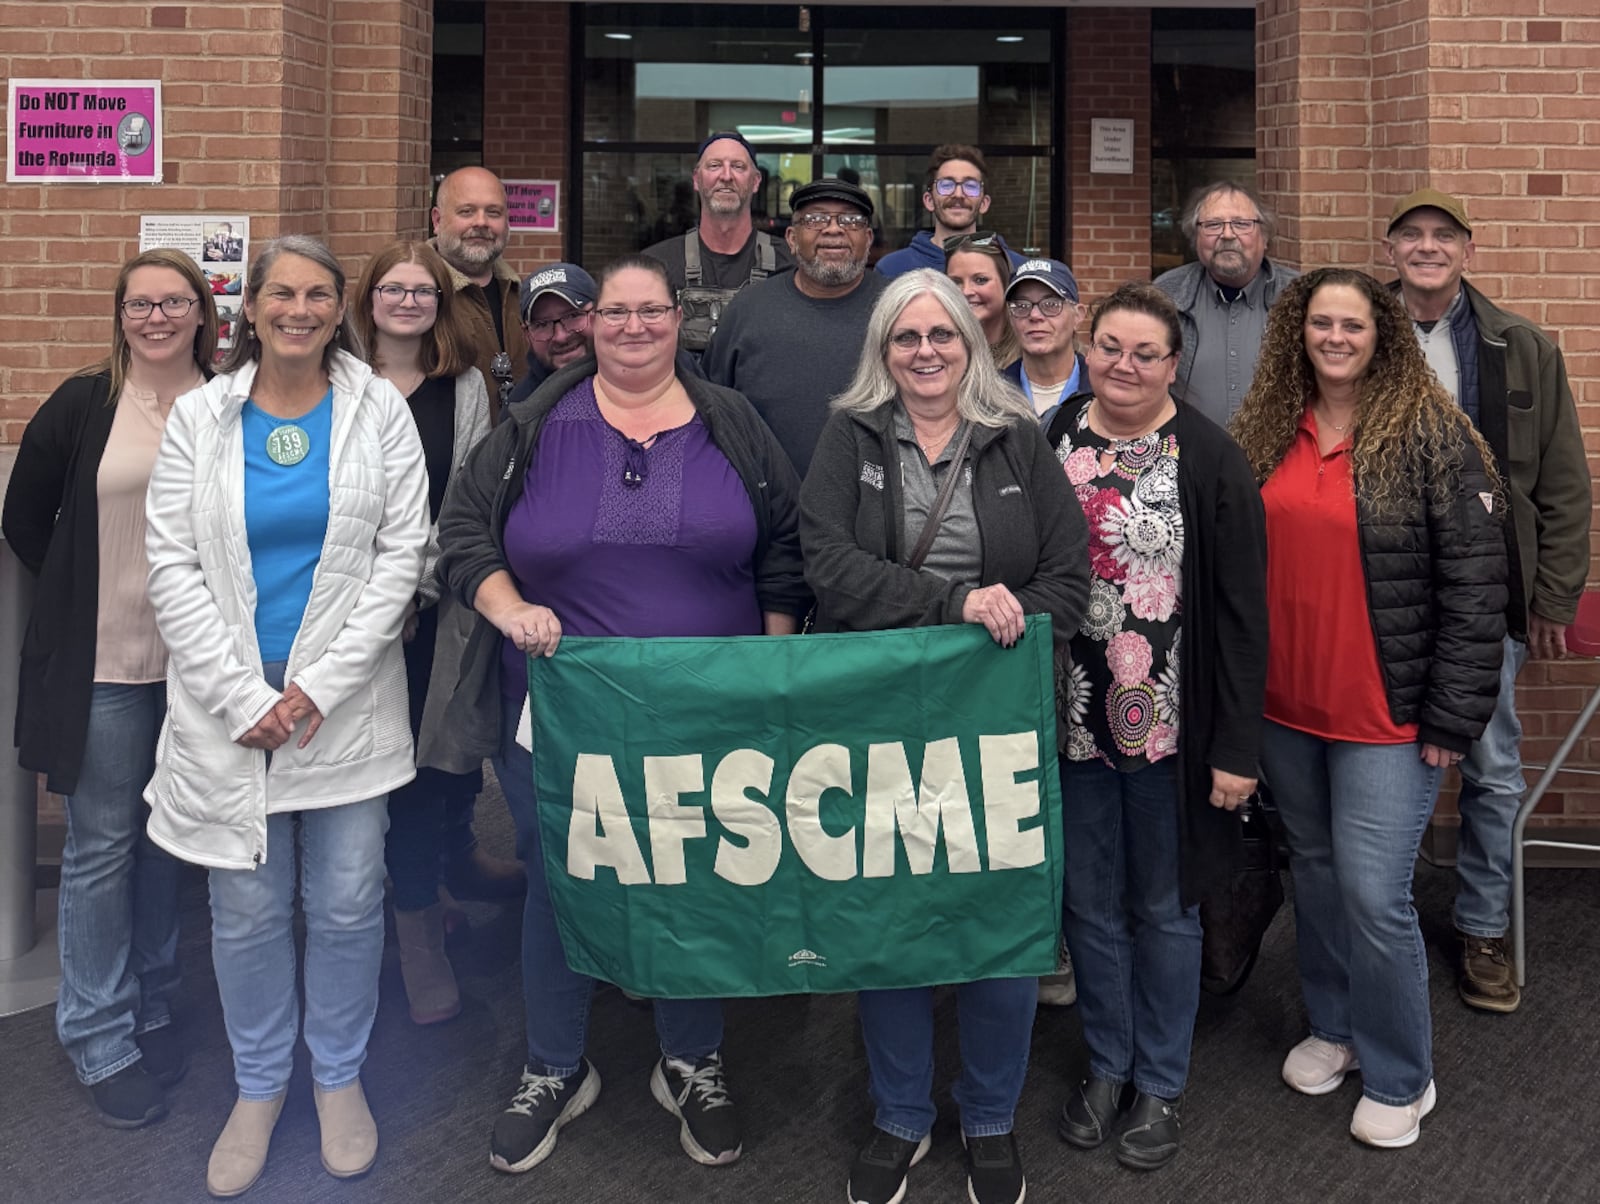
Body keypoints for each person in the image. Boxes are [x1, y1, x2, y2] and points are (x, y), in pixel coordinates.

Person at [434, 254, 809, 1178]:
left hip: (707, 710)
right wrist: (507, 605)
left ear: (680, 321)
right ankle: (556, 1064)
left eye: (652, 312)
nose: (634, 327)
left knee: (692, 876)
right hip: (561, 711)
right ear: (591, 324)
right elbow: (464, 533)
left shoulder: (733, 424)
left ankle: (691, 1057)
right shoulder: (533, 424)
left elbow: (787, 548)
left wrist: (768, 662)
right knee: (559, 874)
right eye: (616, 313)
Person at [143, 236, 429, 1195]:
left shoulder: (378, 409)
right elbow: (171, 565)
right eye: (280, 293)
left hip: (341, 702)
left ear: (337, 304)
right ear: (251, 305)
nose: (298, 309)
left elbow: (403, 556)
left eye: (316, 294)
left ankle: (338, 1076)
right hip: (232, 702)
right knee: (248, 910)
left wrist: (319, 686)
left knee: (348, 900)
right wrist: (245, 695)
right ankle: (260, 1085)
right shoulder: (199, 416)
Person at [800, 269, 1090, 1204]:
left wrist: (988, 643)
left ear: (972, 342)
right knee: (890, 924)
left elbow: (1066, 582)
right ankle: (900, 1115)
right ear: (882, 351)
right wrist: (955, 606)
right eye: (906, 338)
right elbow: (829, 567)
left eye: (944, 336)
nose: (926, 353)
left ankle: (991, 1114)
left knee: (995, 927)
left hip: (994, 724)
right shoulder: (850, 436)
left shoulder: (1016, 440)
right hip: (878, 720)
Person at [1231, 267, 1507, 1149]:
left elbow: (1475, 584)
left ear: (1382, 335)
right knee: (1312, 869)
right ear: (1298, 335)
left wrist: (1453, 717)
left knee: (1373, 888)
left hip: (1386, 714)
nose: (1337, 337)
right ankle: (1337, 1026)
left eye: (1354, 324)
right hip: (1286, 705)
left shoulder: (1431, 434)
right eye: (1321, 323)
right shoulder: (1271, 428)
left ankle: (1402, 1073)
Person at [1044, 281, 1268, 1173]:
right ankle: (1108, 1066)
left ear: (1174, 364)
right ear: (1085, 348)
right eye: (1109, 347)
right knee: (1089, 907)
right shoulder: (1053, 437)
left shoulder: (1209, 458)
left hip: (1174, 734)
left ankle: (1161, 1083)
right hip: (1069, 723)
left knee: (1165, 910)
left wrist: (1237, 750)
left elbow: (1244, 617)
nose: (1124, 366)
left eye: (1146, 353)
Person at [3, 249, 218, 1130]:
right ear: (120, 314)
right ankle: (97, 1030)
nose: (157, 317)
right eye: (141, 304)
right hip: (106, 664)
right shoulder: (83, 403)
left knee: (170, 840)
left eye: (174, 302)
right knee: (100, 846)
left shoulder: (227, 402)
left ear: (204, 312)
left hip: (203, 668)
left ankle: (153, 998)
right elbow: (24, 520)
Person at [1382, 188, 1591, 1013]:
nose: (1427, 248)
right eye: (1412, 236)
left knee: (1494, 768)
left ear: (1469, 250)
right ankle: (1379, 921)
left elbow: (1565, 483)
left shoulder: (1522, 346)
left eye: (1444, 236)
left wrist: (1553, 594)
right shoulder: (1357, 335)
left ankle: (1484, 927)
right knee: (1388, 757)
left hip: (1491, 588)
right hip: (1388, 587)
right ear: (1390, 249)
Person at [350, 240, 494, 1027]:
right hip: (335, 617)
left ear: (443, 302)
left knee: (415, 777)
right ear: (367, 298)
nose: (408, 302)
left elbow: (464, 502)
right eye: (393, 289)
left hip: (427, 618)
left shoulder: (462, 386)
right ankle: (357, 929)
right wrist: (365, 598)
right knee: (348, 779)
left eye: (423, 291)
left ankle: (417, 939)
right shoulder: (335, 379)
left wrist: (415, 589)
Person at [702, 178, 887, 476]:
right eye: (815, 219)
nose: (833, 229)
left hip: (875, 509)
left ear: (867, 238)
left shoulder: (900, 310)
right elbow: (711, 410)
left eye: (850, 220)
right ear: (791, 238)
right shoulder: (748, 309)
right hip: (768, 508)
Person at [1153, 181, 1299, 427]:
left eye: (1242, 224)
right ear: (1195, 238)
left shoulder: (1298, 296)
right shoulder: (1165, 294)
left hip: (1278, 459)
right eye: (1213, 225)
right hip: (1191, 457)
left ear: (1265, 237)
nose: (1228, 235)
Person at [642, 131, 794, 353]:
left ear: (756, 181)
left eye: (738, 166)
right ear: (696, 179)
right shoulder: (655, 266)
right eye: (714, 165)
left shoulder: (789, 266)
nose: (726, 175)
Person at [430, 166, 527, 414]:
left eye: (493, 212)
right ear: (437, 221)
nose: (481, 222)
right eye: (467, 211)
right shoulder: (410, 297)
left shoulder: (525, 296)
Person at [875, 145, 1024, 279]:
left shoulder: (1017, 269)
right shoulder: (891, 269)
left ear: (984, 203)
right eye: (946, 185)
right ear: (929, 200)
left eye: (970, 186)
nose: (958, 194)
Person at [1004, 257, 1088, 426]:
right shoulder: (992, 395)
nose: (1035, 315)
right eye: (1021, 306)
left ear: (1078, 316)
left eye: (1051, 304)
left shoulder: (1101, 390)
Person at [506, 262, 598, 405]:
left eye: (573, 316)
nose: (560, 337)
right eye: (542, 325)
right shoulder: (520, 410)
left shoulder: (638, 384)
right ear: (527, 335)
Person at [944, 231, 1021, 370]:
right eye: (956, 282)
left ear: (1006, 283)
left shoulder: (1030, 352)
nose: (966, 291)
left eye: (980, 280)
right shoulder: (937, 352)